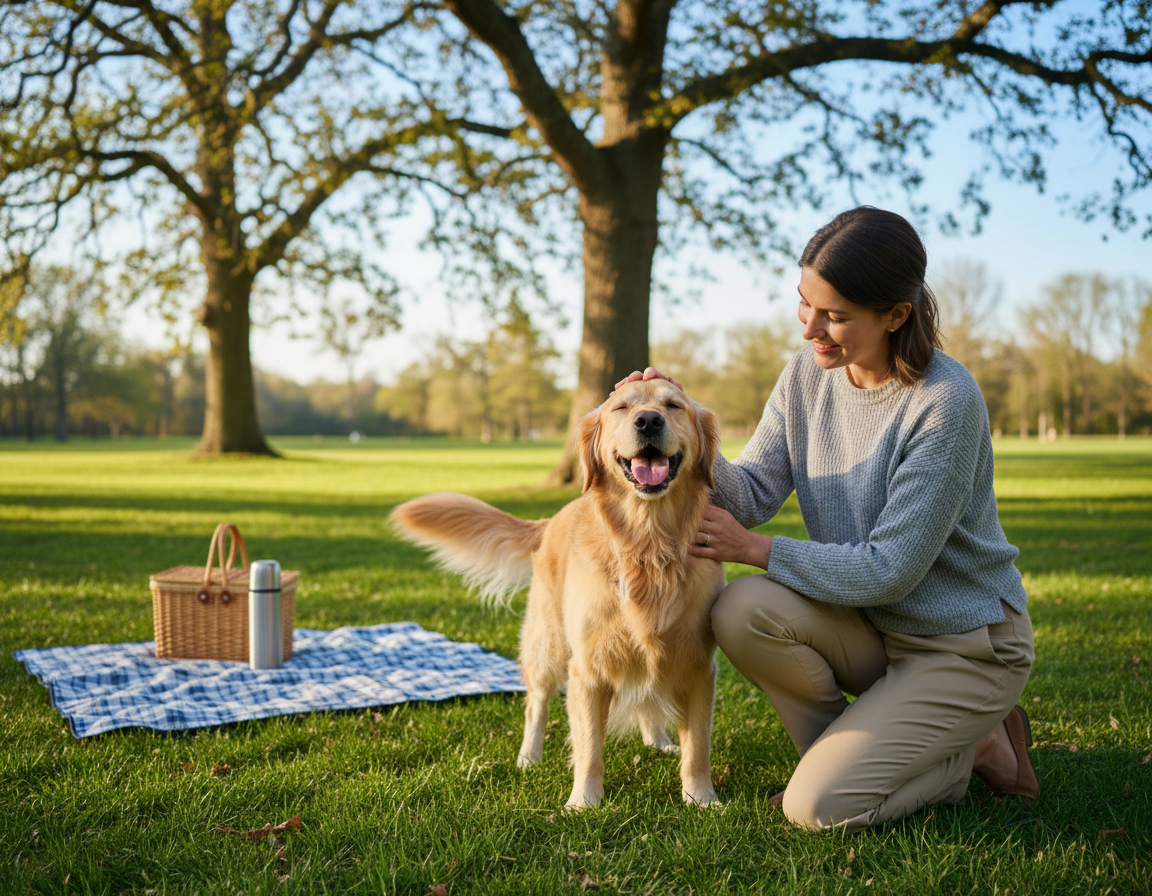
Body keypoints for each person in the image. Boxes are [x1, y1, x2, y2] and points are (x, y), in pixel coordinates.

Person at [617, 206, 1037, 832]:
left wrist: (759, 551)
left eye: (837, 316)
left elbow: (890, 571)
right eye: (805, 303)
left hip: (962, 644)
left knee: (817, 808)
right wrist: (687, 421)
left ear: (896, 316)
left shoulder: (945, 404)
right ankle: (880, 748)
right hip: (872, 630)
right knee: (740, 610)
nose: (812, 328)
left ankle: (959, 754)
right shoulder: (808, 375)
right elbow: (753, 489)